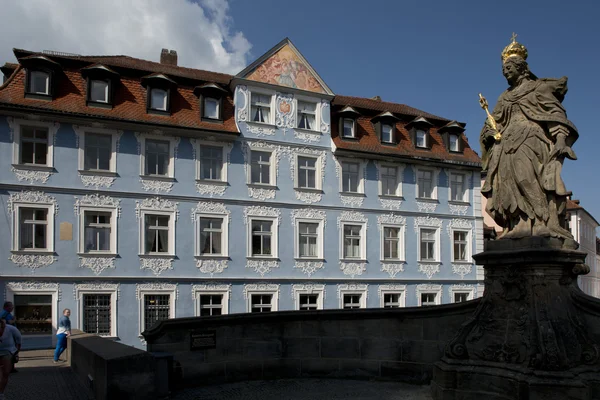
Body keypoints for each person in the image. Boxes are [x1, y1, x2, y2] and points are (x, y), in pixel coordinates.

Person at [480, 35, 577, 241]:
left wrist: (560, 139)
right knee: (504, 184)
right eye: (503, 71)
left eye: (509, 69)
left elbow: (556, 114)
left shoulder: (536, 88)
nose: (505, 73)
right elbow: (494, 122)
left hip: (530, 139)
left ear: (521, 68)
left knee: (526, 178)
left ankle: (541, 221)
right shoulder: (504, 97)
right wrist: (489, 131)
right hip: (506, 143)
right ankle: (516, 224)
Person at [0, 319, 21, 400]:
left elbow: (18, 342)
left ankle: (1, 393)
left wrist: (16, 353)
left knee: (5, 373)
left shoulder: (12, 329)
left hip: (8, 352)